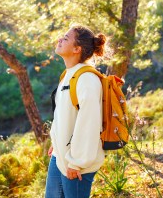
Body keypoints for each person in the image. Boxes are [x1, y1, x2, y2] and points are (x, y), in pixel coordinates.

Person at [45, 25, 107, 198]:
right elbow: (66, 115)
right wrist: (56, 141)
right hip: (60, 156)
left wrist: (77, 162)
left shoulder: (87, 78)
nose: (60, 39)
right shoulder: (68, 74)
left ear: (77, 49)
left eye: (65, 38)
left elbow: (89, 122)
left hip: (77, 163)